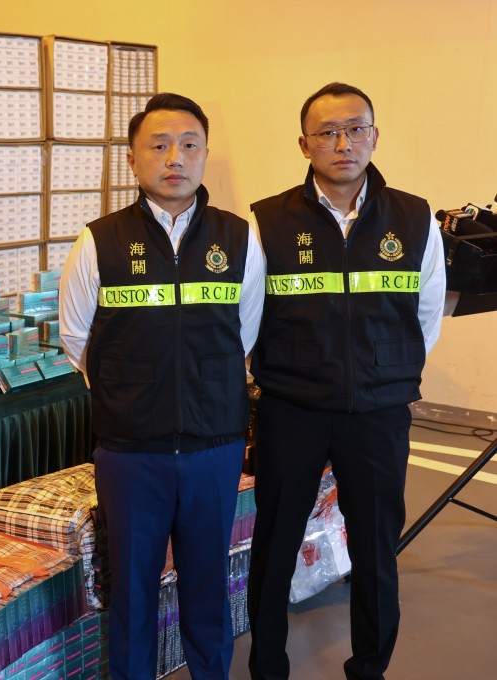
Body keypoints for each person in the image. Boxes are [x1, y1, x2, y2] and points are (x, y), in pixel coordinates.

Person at [59, 92, 265, 680]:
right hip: (131, 451)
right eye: (158, 144)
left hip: (214, 445)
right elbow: (78, 339)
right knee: (131, 587)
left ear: (204, 155)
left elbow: (245, 333)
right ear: (132, 158)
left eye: (189, 144)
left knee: (208, 582)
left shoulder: (239, 239)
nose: (175, 156)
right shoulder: (98, 242)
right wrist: (133, 394)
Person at [246, 82, 446, 680]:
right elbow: (248, 317)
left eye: (356, 128)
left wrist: (382, 371)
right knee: (275, 546)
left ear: (375, 136)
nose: (343, 142)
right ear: (303, 144)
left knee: (377, 549)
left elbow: (427, 313)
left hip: (378, 413)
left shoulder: (412, 216)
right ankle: (268, 667)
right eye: (328, 131)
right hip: (292, 408)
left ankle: (369, 668)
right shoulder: (269, 221)